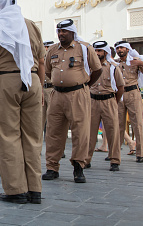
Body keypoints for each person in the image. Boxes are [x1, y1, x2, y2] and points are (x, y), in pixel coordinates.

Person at [0, 0, 44, 204]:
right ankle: (35, 189)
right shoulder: (31, 25)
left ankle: (16, 190)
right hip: (32, 81)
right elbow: (42, 61)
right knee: (33, 137)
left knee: (8, 136)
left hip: (7, 82)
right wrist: (40, 88)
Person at [42, 19, 102, 184]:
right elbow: (47, 70)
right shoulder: (52, 49)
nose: (60, 34)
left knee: (80, 132)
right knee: (53, 131)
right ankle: (52, 167)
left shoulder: (84, 48)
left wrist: (84, 85)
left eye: (64, 31)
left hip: (77, 94)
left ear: (72, 32)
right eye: (58, 31)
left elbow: (97, 70)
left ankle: (78, 167)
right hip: (57, 95)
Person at [85, 41, 124, 171]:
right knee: (90, 132)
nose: (97, 53)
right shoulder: (89, 67)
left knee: (113, 131)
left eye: (99, 51)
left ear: (105, 52)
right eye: (95, 51)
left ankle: (114, 160)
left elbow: (120, 87)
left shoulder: (113, 67)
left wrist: (114, 102)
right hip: (93, 101)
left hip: (109, 100)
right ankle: (86, 159)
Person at [114, 40, 143, 163]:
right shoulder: (115, 63)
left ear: (127, 49)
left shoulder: (135, 62)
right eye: (117, 48)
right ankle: (115, 154)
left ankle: (140, 153)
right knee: (119, 125)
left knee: (137, 123)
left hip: (133, 93)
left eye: (122, 48)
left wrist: (142, 63)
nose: (119, 50)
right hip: (120, 94)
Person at [42, 41, 55, 132]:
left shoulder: (54, 59)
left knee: (51, 115)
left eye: (48, 47)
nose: (46, 50)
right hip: (42, 89)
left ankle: (51, 134)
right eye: (45, 47)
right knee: (40, 117)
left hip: (51, 88)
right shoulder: (41, 59)